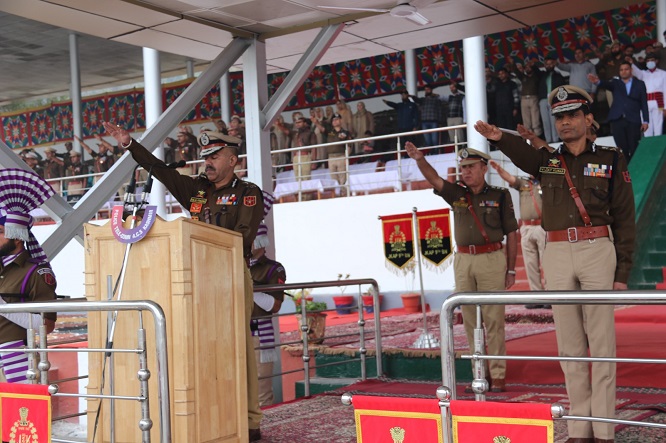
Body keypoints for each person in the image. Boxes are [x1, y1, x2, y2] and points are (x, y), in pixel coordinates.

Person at [474, 84, 636, 443]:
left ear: (588, 117)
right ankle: (580, 429)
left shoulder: (611, 158)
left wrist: (622, 273)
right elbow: (521, 156)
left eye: (572, 115)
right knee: (570, 347)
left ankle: (604, 431)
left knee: (602, 345)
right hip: (558, 253)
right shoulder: (549, 160)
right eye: (559, 117)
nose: (565, 122)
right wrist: (499, 136)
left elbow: (625, 218)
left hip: (598, 250)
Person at [102, 122, 265, 441]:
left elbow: (243, 239)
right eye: (205, 155)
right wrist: (129, 144)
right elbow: (159, 170)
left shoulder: (248, 193)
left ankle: (249, 420)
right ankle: (211, 411)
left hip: (230, 276)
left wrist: (206, 241)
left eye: (215, 155)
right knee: (201, 346)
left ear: (232, 160)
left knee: (238, 346)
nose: (208, 161)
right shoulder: (196, 190)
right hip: (196, 278)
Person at [404, 142, 518, 393]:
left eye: (471, 167)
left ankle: (498, 375)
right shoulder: (457, 193)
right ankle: (480, 373)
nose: (465, 172)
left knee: (493, 319)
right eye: (463, 167)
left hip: (491, 259)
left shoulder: (499, 195)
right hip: (464, 260)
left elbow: (512, 233)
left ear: (484, 168)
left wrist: (510, 270)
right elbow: (434, 179)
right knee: (468, 320)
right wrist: (420, 159)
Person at [0, 168, 58, 383]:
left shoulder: (36, 272)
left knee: (19, 415)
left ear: (16, 237)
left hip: (16, 358)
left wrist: (4, 309)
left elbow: (47, 325)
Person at [489, 160, 548, 307]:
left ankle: (549, 295)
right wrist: (499, 170)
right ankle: (537, 296)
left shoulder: (547, 181)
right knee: (530, 263)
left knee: (547, 263)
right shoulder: (523, 184)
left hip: (542, 226)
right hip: (527, 227)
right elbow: (510, 178)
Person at [250, 212, 285, 407]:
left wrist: (248, 288)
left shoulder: (273, 268)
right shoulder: (235, 264)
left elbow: (275, 305)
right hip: (234, 333)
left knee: (261, 389)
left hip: (258, 334)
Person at [588, 63, 649, 162]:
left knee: (634, 147)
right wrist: (597, 82)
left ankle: (636, 168)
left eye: (626, 69)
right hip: (617, 119)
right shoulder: (615, 83)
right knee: (621, 148)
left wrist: (646, 121)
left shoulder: (640, 84)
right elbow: (605, 84)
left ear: (631, 70)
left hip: (633, 119)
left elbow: (644, 103)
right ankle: (627, 170)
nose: (623, 71)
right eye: (621, 70)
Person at [631, 53, 666, 137]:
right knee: (647, 127)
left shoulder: (663, 73)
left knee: (658, 127)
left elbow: (665, 90)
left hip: (658, 102)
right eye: (648, 61)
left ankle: (658, 147)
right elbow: (636, 72)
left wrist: (665, 108)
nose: (650, 62)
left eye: (652, 60)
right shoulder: (643, 74)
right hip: (645, 102)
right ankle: (649, 147)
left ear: (656, 61)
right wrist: (631, 63)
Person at [325, 113, 353, 187]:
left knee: (343, 178)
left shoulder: (346, 132)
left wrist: (346, 157)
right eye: (333, 120)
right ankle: (337, 194)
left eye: (337, 119)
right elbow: (322, 129)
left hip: (341, 156)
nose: (335, 121)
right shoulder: (329, 132)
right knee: (334, 179)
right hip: (331, 157)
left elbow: (349, 146)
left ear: (341, 120)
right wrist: (316, 122)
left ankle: (344, 193)